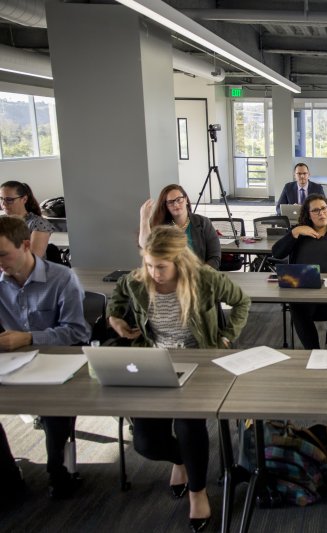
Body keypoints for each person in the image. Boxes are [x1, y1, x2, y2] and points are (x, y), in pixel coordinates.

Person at [108, 225, 251, 532]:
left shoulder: (205, 279)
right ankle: (181, 460)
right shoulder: (137, 281)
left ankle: (198, 493)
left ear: (179, 261)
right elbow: (117, 295)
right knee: (145, 443)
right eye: (148, 265)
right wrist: (115, 319)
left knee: (189, 426)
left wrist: (226, 337)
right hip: (154, 360)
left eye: (161, 266)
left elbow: (242, 303)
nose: (153, 272)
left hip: (199, 360)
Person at [0, 216, 90, 499]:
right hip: (12, 361)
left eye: (3, 254)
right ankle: (7, 476)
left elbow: (76, 332)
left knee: (54, 408)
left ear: (26, 245)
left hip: (56, 361)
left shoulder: (61, 278)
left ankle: (58, 470)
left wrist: (29, 338)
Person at [272, 194, 327, 349]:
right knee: (296, 307)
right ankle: (312, 352)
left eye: (324, 208)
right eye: (316, 210)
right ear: (308, 214)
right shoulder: (300, 233)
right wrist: (296, 232)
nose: (321, 213)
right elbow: (277, 252)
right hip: (305, 291)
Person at [138, 184, 221, 270]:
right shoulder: (162, 227)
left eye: (179, 200)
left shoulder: (203, 222)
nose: (176, 204)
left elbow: (215, 257)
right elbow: (146, 245)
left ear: (186, 200)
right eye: (170, 202)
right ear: (166, 206)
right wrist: (144, 218)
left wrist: (201, 274)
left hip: (200, 276)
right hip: (171, 278)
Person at [0, 181, 56, 258]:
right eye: (1, 199)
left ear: (24, 199)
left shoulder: (38, 223)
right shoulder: (2, 221)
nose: (3, 203)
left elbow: (34, 258)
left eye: (9, 199)